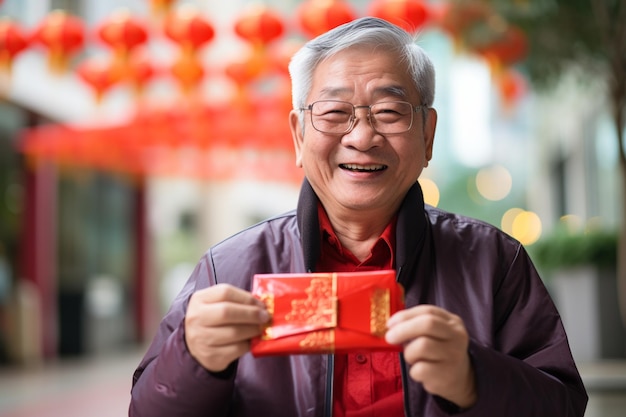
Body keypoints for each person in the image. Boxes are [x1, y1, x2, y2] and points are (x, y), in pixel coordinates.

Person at [130, 17, 588, 417]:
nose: (363, 136)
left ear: (428, 135)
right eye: (334, 113)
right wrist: (192, 360)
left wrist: (474, 380)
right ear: (298, 134)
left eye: (389, 112)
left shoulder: (494, 263)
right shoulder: (226, 270)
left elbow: (565, 406)